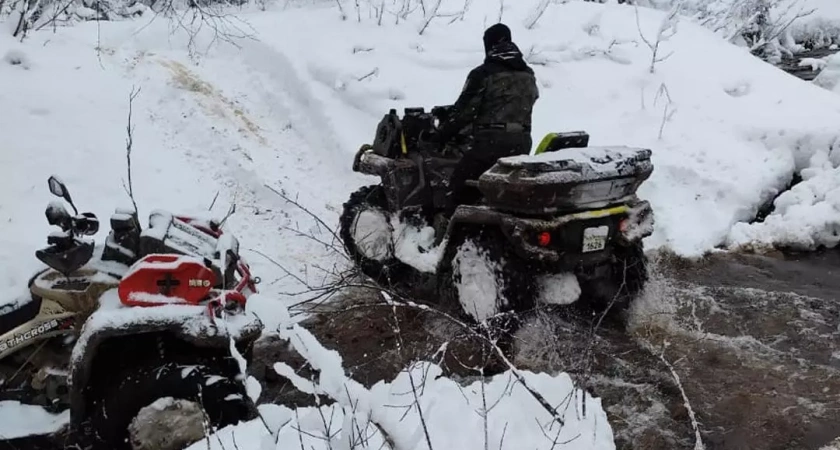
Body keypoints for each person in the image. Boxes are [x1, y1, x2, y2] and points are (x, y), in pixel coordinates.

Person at [436, 23, 539, 223]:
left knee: (458, 185)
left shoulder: (483, 73)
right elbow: (514, 103)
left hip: (490, 145)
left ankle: (444, 237)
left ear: (489, 45)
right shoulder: (528, 74)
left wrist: (440, 136)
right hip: (522, 144)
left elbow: (464, 113)